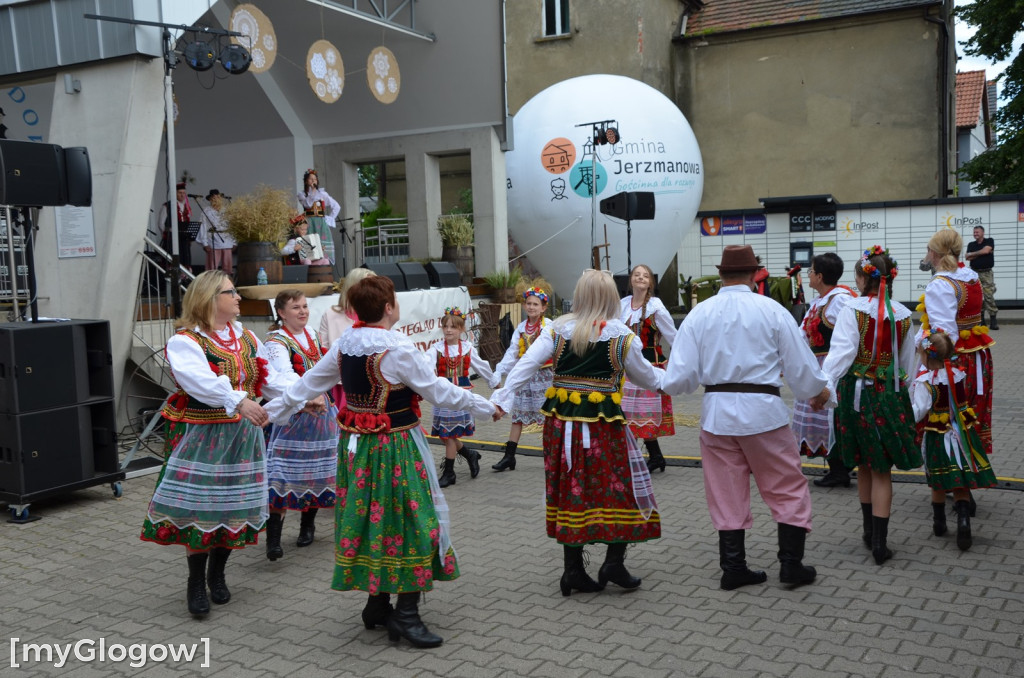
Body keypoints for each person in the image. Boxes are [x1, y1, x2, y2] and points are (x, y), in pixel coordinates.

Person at [264, 276, 498, 648]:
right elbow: (437, 389)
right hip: (395, 447)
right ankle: (405, 614)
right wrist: (485, 405)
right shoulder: (395, 348)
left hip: (356, 450)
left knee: (375, 520)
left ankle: (376, 604)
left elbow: (307, 383)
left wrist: (272, 410)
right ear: (389, 308)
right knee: (413, 520)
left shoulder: (346, 345)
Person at [491, 270, 663, 597]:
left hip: (562, 425)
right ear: (611, 297)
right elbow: (648, 378)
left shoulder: (557, 329)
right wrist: (684, 378)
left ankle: (574, 570)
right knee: (618, 486)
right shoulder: (620, 335)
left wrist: (501, 397)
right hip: (602, 427)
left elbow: (525, 366)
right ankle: (611, 560)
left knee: (571, 488)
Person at [663, 245, 825, 590]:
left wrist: (650, 375)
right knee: (787, 486)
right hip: (764, 414)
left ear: (721, 275)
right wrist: (818, 393)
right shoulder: (773, 311)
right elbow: (800, 369)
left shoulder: (699, 314)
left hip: (716, 415)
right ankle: (791, 565)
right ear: (755, 275)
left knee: (725, 491)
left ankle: (733, 568)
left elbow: (680, 379)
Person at [139, 270, 298, 617]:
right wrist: (240, 401)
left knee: (233, 505)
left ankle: (218, 573)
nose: (238, 298)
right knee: (202, 509)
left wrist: (299, 396)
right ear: (211, 298)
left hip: (243, 437)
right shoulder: (186, 342)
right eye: (231, 292)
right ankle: (196, 582)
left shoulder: (246, 338)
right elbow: (199, 383)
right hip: (204, 437)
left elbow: (267, 379)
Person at [817, 246, 921, 565]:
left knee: (863, 461)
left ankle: (867, 532)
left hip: (857, 394)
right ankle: (879, 541)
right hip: (888, 394)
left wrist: (823, 383)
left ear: (863, 279)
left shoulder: (852, 309)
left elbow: (842, 353)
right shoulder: (903, 315)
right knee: (881, 469)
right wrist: (909, 398)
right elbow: (908, 364)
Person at [263, 290, 339, 560]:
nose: (303, 311)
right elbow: (284, 376)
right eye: (296, 308)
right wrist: (309, 395)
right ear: (282, 313)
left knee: (316, 471)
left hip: (320, 415)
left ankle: (307, 526)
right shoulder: (276, 342)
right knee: (280, 474)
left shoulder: (312, 337)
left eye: (305, 306)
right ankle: (274, 538)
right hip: (291, 417)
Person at [911, 329, 996, 551]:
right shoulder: (958, 375)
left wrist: (903, 415)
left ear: (928, 357)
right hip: (962, 435)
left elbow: (919, 410)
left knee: (939, 481)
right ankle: (964, 520)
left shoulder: (925, 382)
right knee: (960, 480)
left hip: (937, 437)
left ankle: (939, 523)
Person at [919, 229, 995, 462]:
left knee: (947, 416)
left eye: (929, 249)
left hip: (954, 360)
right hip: (977, 356)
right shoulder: (970, 276)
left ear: (935, 253)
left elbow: (943, 334)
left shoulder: (941, 284)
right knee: (970, 413)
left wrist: (922, 346)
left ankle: (954, 479)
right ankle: (969, 472)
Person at [793, 253, 855, 487]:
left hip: (832, 366)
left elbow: (851, 334)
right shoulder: (822, 300)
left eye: (811, 270)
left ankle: (840, 468)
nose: (808, 274)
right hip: (816, 364)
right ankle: (836, 467)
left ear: (819, 276)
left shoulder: (839, 300)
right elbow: (802, 332)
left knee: (830, 416)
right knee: (823, 416)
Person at [429, 307, 500, 487]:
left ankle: (449, 473)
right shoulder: (436, 349)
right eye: (445, 326)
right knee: (444, 436)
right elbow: (424, 366)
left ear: (461, 329)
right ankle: (470, 454)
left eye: (453, 327)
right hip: (443, 395)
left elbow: (482, 367)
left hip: (461, 396)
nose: (448, 330)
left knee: (450, 435)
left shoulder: (467, 348)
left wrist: (494, 384)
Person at [620, 264, 677, 473]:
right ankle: (654, 457)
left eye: (645, 276)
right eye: (637, 275)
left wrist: (677, 366)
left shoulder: (656, 306)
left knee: (642, 414)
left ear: (650, 283)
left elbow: (673, 337)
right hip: (627, 368)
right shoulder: (623, 305)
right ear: (631, 280)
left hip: (650, 366)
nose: (641, 278)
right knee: (629, 414)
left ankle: (639, 459)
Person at [491, 285, 554, 472]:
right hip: (525, 377)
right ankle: (509, 456)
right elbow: (512, 353)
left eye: (536, 304)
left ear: (543, 308)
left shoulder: (548, 326)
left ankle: (551, 456)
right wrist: (500, 370)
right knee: (517, 416)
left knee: (546, 418)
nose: (532, 307)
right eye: (529, 303)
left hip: (544, 376)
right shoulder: (520, 328)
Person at [318, 267, 377, 407]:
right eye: (367, 285)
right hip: (339, 383)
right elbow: (322, 349)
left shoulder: (377, 315)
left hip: (370, 383)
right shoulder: (331, 314)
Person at [297, 169, 341, 265]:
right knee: (310, 249)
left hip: (321, 223)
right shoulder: (302, 194)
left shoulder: (323, 194)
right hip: (309, 223)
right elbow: (307, 204)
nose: (313, 181)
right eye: (311, 179)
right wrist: (312, 192)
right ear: (306, 181)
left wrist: (329, 219)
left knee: (323, 248)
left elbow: (336, 206)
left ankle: (323, 266)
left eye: (315, 179)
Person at [964, 225, 998, 329]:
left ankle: (993, 320)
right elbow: (967, 257)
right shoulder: (971, 244)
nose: (975, 234)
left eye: (977, 232)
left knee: (989, 296)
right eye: (974, 232)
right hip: (974, 273)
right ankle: (981, 320)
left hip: (986, 273)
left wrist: (974, 254)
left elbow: (986, 251)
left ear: (983, 233)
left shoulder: (989, 241)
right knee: (977, 296)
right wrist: (981, 252)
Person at [196, 189, 235, 275]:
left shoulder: (227, 211)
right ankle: (211, 284)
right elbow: (203, 227)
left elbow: (232, 226)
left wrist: (234, 241)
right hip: (213, 240)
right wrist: (205, 243)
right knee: (212, 268)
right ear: (210, 200)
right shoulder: (206, 211)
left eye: (218, 197)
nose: (216, 199)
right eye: (213, 198)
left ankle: (227, 284)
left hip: (227, 240)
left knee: (227, 268)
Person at [158, 182, 195, 272]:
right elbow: (161, 224)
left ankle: (184, 277)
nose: (182, 195)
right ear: (175, 194)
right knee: (172, 259)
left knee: (185, 259)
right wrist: (169, 232)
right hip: (171, 239)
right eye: (180, 193)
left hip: (183, 239)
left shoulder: (186, 207)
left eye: (184, 193)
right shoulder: (167, 206)